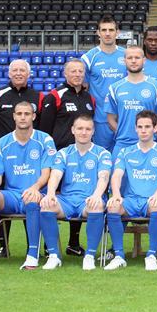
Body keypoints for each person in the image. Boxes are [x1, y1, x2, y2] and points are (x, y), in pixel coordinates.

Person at [0, 102, 57, 270]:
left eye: (26, 114)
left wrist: (35, 188)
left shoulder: (45, 140)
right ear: (13, 116)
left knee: (32, 199)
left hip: (37, 193)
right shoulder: (2, 143)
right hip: (12, 195)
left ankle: (32, 256)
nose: (22, 117)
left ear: (33, 116)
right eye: (19, 113)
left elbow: (46, 173)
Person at [104, 111, 157, 271]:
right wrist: (116, 195)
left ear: (155, 128)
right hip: (130, 200)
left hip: (152, 199)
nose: (144, 130)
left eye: (147, 127)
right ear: (135, 129)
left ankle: (151, 255)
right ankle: (119, 255)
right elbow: (116, 175)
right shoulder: (125, 152)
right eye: (140, 127)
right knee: (113, 206)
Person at [38, 115, 112, 270]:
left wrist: (97, 195)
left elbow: (103, 177)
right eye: (80, 128)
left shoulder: (102, 153)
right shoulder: (63, 153)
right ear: (73, 130)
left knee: (96, 206)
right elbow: (56, 174)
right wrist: (50, 193)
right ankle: (53, 256)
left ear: (93, 131)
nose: (83, 132)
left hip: (88, 200)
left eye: (88, 129)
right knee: (46, 205)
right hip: (67, 201)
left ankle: (90, 256)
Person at [106, 45, 157, 154]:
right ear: (124, 60)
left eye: (137, 58)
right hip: (122, 145)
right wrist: (123, 134)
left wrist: (149, 137)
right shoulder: (115, 88)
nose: (133, 61)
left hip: (149, 145)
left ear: (144, 60)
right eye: (130, 58)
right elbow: (111, 119)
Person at [80, 15, 127, 151]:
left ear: (117, 32)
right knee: (103, 158)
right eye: (104, 30)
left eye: (111, 30)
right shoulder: (89, 58)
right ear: (98, 32)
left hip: (125, 117)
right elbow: (84, 88)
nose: (107, 34)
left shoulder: (127, 55)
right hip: (100, 119)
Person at [0, 59, 44, 148]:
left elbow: (42, 124)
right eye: (15, 70)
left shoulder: (39, 96)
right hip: (4, 148)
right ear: (9, 74)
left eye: (22, 70)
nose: (18, 73)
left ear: (28, 74)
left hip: (31, 149)